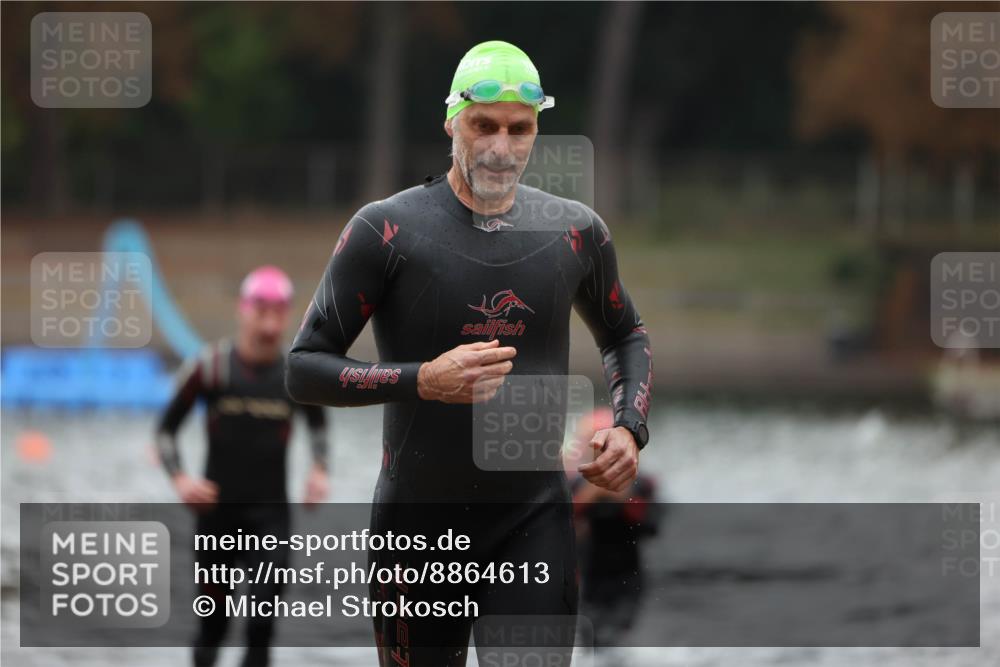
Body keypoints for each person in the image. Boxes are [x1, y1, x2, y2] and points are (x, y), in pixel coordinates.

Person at [286, 40, 653, 666]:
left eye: (520, 128)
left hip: (532, 523)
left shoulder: (576, 233)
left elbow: (626, 334)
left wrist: (629, 428)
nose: (501, 148)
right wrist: (421, 379)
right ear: (451, 118)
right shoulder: (386, 230)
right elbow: (304, 368)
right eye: (484, 126)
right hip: (416, 531)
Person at [156, 265, 331, 667]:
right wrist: (180, 479)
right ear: (243, 310)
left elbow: (319, 426)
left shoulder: (296, 373)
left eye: (279, 311)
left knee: (260, 626)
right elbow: (166, 431)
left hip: (270, 518)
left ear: (288, 314)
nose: (269, 321)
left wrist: (319, 469)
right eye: (261, 309)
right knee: (212, 627)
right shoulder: (210, 368)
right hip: (215, 517)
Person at [566, 408, 661, 655]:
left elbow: (652, 527)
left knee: (615, 638)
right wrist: (590, 496)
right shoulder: (574, 483)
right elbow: (558, 525)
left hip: (627, 577)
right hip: (587, 576)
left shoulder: (642, 483)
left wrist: (624, 501)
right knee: (592, 638)